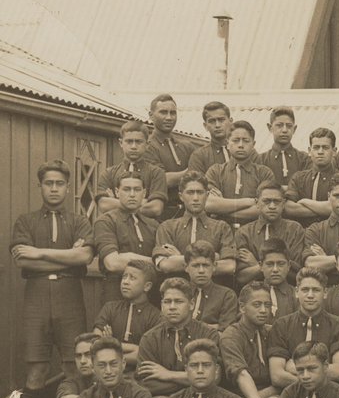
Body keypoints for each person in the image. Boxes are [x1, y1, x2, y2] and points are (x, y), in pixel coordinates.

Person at [10, 159, 95, 398]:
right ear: (40, 186)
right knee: (36, 370)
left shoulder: (80, 221)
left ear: (68, 186)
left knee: (76, 366)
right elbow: (23, 262)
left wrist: (40, 252)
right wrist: (67, 257)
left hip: (70, 297)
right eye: (49, 183)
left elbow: (84, 255)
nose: (55, 188)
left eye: (60, 183)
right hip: (36, 298)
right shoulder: (26, 221)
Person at [137, 278, 221, 398]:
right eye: (167, 302)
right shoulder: (149, 338)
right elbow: (148, 383)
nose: (172, 307)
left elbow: (214, 377)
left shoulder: (207, 334)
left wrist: (168, 375)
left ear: (191, 304)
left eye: (178, 301)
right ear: (161, 304)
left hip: (205, 397)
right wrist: (193, 380)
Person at [267, 267, 339, 389]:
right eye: (305, 290)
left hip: (329, 392)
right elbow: (277, 376)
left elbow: (337, 371)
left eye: (316, 290)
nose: (310, 295)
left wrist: (294, 367)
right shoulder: (281, 325)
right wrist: (314, 375)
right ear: (296, 292)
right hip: (291, 392)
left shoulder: (338, 325)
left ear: (325, 293)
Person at [220, 281, 280, 398]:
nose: (263, 310)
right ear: (242, 307)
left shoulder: (273, 332)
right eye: (257, 304)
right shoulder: (231, 335)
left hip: (269, 390)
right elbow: (241, 374)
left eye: (267, 305)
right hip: (240, 394)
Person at [153, 171, 236, 277]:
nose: (196, 198)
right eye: (190, 192)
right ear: (181, 196)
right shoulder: (167, 227)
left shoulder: (221, 227)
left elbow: (229, 266)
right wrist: (214, 257)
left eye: (200, 192)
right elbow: (165, 265)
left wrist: (180, 257)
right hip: (177, 288)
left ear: (206, 195)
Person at [93, 170, 159, 301]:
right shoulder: (106, 221)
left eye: (137, 190)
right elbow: (113, 263)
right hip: (116, 293)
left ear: (144, 193)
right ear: (117, 192)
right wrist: (157, 262)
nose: (132, 194)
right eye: (127, 189)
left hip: (149, 296)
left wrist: (127, 257)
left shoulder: (153, 225)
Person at [205, 121, 278, 228]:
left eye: (246, 141)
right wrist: (250, 201)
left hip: (253, 231)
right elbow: (209, 204)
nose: (240, 145)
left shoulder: (264, 173)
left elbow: (263, 208)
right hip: (220, 230)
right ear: (227, 144)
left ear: (253, 144)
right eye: (235, 140)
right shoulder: (215, 171)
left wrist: (222, 209)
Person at [93, 260, 161, 369]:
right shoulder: (110, 308)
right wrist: (134, 348)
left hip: (140, 375)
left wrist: (112, 344)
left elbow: (146, 354)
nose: (125, 282)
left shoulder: (155, 316)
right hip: (108, 370)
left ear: (147, 286)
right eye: (124, 277)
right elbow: (96, 342)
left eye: (132, 278)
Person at [234, 184, 306, 285]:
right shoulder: (244, 233)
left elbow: (296, 273)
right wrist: (278, 265)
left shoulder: (295, 229)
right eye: (266, 201)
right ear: (257, 203)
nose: (272, 206)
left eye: (277, 201)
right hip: (254, 292)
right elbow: (241, 277)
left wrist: (259, 266)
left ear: (284, 204)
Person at [96, 120, 167, 219]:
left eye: (138, 142)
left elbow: (155, 208)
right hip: (117, 228)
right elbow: (104, 205)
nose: (134, 146)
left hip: (147, 230)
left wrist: (117, 202)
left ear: (147, 144)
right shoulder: (108, 174)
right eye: (129, 141)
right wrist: (142, 202)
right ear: (121, 143)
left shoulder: (156, 173)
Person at [142, 93, 196, 216]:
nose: (169, 117)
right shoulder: (148, 147)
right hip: (161, 215)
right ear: (151, 116)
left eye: (173, 113)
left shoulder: (186, 146)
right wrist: (191, 172)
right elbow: (161, 180)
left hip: (187, 214)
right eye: (163, 112)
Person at [285, 127, 339, 222]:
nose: (320, 152)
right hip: (302, 231)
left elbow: (338, 208)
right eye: (316, 147)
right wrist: (323, 209)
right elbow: (288, 208)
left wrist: (305, 202)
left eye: (325, 148)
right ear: (309, 151)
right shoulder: (298, 178)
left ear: (334, 151)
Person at [183, 241, 239, 330]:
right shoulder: (179, 292)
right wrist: (213, 327)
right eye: (196, 265)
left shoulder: (227, 296)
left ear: (214, 266)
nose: (201, 271)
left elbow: (226, 332)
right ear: (186, 267)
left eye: (206, 265)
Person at [261, 106, 310, 192]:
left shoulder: (304, 159)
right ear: (270, 127)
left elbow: (306, 188)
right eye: (279, 125)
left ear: (294, 129)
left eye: (289, 126)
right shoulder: (261, 159)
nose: (284, 130)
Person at [188, 101, 238, 174]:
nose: (217, 125)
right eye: (212, 121)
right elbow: (196, 184)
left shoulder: (243, 150)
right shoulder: (199, 156)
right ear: (205, 126)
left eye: (221, 120)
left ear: (231, 122)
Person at [56, 333, 99, 398]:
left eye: (88, 354)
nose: (82, 361)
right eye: (78, 356)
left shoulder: (112, 377)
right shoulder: (71, 382)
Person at [255, 239, 297, 320]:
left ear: (288, 265)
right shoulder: (251, 294)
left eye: (281, 264)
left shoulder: (296, 296)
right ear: (261, 266)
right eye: (269, 264)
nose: (275, 269)